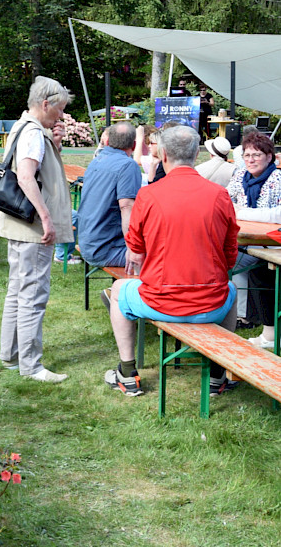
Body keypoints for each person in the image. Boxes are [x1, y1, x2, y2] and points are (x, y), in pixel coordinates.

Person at [102, 126, 239, 397]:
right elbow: (230, 254)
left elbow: (136, 249)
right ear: (197, 154)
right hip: (211, 303)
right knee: (232, 290)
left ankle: (127, 372)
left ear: (163, 154)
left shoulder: (148, 195)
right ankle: (217, 373)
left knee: (117, 290)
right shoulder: (219, 195)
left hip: (160, 302)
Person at [0, 76, 74, 384]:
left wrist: (55, 145)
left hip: (18, 222)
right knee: (33, 294)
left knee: (18, 289)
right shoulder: (32, 132)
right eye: (59, 109)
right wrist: (46, 218)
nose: (61, 115)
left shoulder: (23, 127)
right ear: (45, 104)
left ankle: (11, 355)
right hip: (32, 226)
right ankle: (31, 365)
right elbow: (26, 177)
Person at [225, 132, 281, 342]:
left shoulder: (277, 178)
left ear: (269, 157)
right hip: (245, 240)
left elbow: (278, 215)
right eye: (247, 155)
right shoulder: (240, 175)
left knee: (246, 264)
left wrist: (243, 212)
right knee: (222, 258)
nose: (251, 159)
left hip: (271, 244)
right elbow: (224, 200)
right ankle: (237, 315)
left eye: (256, 155)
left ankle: (253, 322)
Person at [76, 122, 142, 268]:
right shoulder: (127, 165)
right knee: (166, 254)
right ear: (134, 145)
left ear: (107, 141)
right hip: (107, 249)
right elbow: (127, 208)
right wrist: (132, 249)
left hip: (89, 243)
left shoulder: (96, 161)